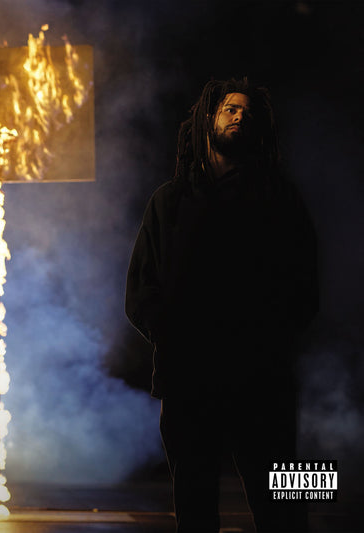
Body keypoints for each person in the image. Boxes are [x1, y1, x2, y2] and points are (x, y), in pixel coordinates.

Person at [125, 78, 319, 532]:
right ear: (206, 121)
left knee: (288, 505)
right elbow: (140, 290)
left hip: (265, 381)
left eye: (248, 112)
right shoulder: (169, 201)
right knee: (194, 508)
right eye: (230, 108)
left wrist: (273, 340)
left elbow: (306, 285)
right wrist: (173, 338)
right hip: (190, 381)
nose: (240, 116)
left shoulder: (281, 197)